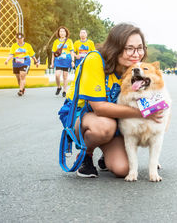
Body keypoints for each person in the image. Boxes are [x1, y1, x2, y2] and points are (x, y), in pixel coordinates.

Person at [60, 23, 163, 178]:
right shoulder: (95, 60)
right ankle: (86, 156)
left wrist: (156, 107)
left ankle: (106, 153)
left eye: (140, 48)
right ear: (116, 46)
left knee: (123, 169)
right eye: (129, 48)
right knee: (104, 127)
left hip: (114, 120)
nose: (136, 54)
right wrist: (143, 113)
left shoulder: (133, 68)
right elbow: (99, 108)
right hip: (83, 115)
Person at [50, 26, 75, 97]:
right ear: (58, 33)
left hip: (67, 61)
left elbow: (72, 52)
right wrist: (52, 62)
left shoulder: (69, 41)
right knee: (57, 75)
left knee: (65, 76)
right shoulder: (56, 42)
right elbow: (53, 53)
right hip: (58, 61)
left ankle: (64, 90)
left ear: (66, 33)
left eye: (63, 31)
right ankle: (59, 87)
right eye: (60, 31)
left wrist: (72, 61)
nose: (62, 33)